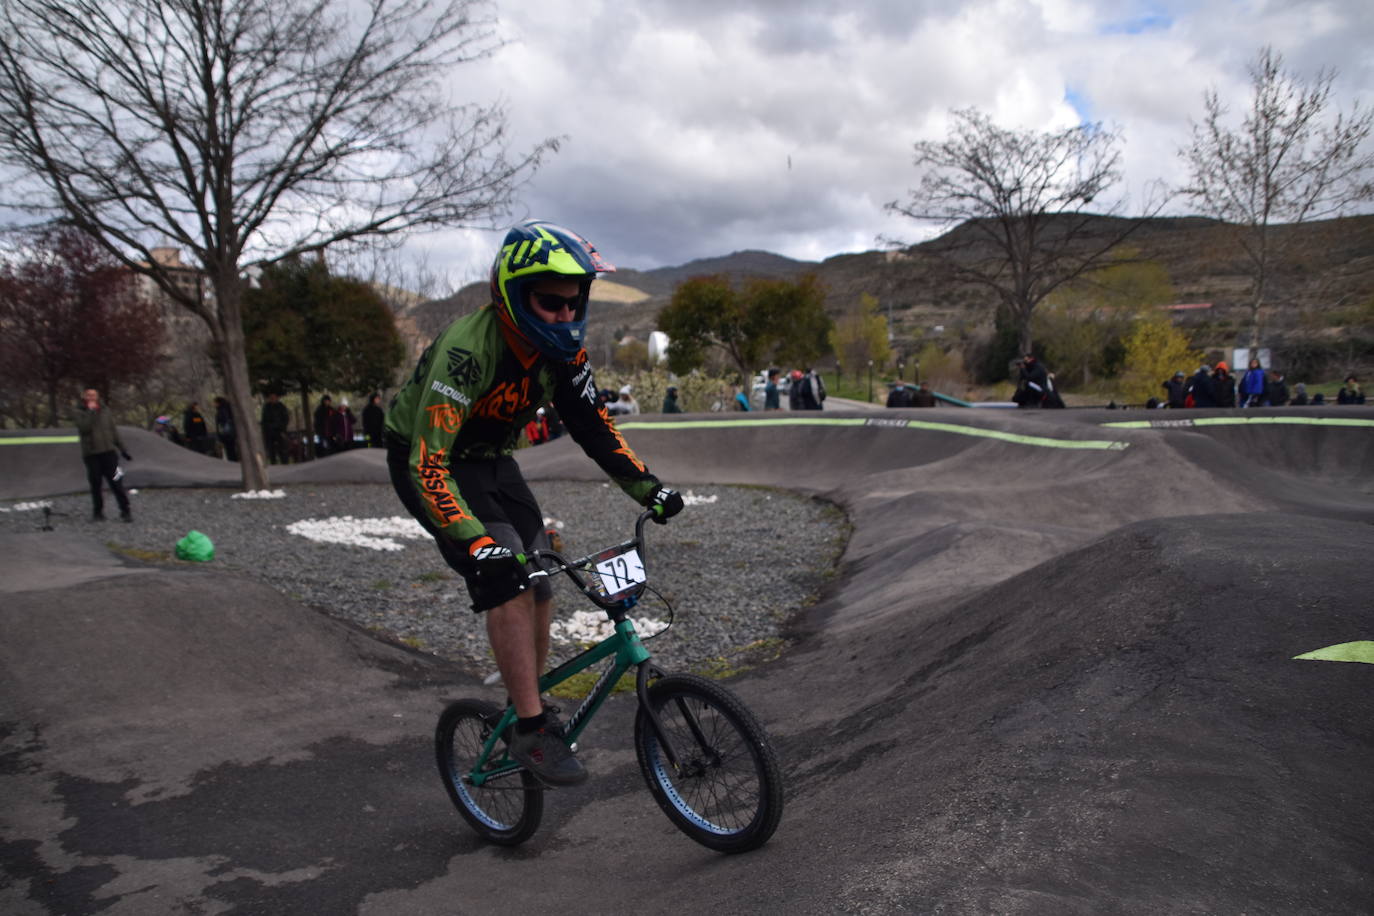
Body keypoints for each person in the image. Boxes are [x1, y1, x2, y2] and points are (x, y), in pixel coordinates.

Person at [383, 220, 683, 787]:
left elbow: (597, 430)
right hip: (432, 462)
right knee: (505, 579)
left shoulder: (564, 354)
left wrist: (651, 488)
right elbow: (430, 465)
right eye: (550, 303)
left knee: (541, 580)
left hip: (494, 457)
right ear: (514, 295)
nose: (565, 317)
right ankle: (529, 725)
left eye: (575, 304)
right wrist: (476, 541)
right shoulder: (468, 353)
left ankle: (530, 706)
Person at [73, 387, 132, 522]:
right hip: (92, 454)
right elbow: (84, 428)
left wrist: (123, 449)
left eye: (94, 395)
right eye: (89, 395)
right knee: (96, 484)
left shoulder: (105, 411)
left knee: (117, 481)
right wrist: (91, 411)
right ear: (84, 397)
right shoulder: (78, 411)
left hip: (109, 453)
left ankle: (125, 510)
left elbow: (113, 431)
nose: (91, 397)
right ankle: (98, 512)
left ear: (98, 396)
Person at [261, 392, 291, 465]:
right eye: (271, 397)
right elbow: (264, 420)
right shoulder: (266, 407)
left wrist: (281, 428)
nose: (273, 399)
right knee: (271, 449)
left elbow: (285, 418)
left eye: (274, 397)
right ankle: (273, 462)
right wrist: (267, 428)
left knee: (282, 448)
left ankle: (284, 462)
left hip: (280, 430)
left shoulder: (281, 406)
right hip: (270, 432)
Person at [213, 396, 238, 461]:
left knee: (229, 449)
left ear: (218, 403)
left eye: (215, 403)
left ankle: (232, 461)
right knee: (231, 448)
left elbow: (223, 422)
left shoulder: (222, 410)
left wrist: (221, 433)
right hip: (230, 433)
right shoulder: (227, 409)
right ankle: (233, 460)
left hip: (226, 433)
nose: (214, 404)